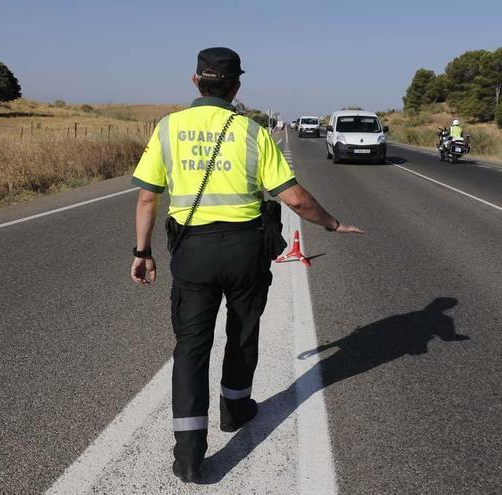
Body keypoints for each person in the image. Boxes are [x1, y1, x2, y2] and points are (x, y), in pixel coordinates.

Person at [129, 47, 363, 483]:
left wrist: (142, 252)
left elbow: (147, 196)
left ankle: (190, 455)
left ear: (195, 81)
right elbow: (292, 197)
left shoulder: (168, 128)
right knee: (242, 331)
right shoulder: (253, 133)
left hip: (193, 252)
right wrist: (331, 223)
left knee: (191, 348)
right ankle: (235, 409)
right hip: (245, 251)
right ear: (236, 86)